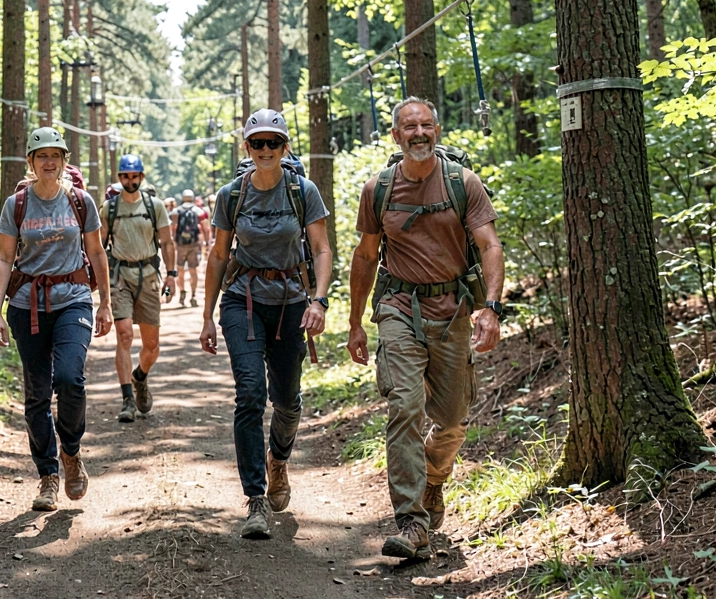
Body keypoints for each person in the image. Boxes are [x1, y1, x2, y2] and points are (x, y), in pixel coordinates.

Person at [344, 96, 504, 559]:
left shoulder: (463, 183)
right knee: (406, 408)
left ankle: (434, 479)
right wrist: (355, 323)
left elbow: (489, 245)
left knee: (452, 422)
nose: (419, 133)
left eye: (426, 125)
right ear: (395, 136)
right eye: (409, 127)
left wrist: (490, 308)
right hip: (399, 310)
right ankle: (412, 523)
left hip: (453, 313)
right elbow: (365, 256)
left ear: (436, 131)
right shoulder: (379, 189)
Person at [199, 109, 332, 540]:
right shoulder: (232, 194)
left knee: (288, 402)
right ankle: (255, 500)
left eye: (273, 142)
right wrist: (206, 315)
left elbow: (322, 249)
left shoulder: (302, 190)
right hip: (244, 301)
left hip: (292, 302)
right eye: (257, 143)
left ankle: (279, 460)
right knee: (251, 394)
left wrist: (320, 301)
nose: (266, 150)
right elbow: (219, 256)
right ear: (247, 147)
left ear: (285, 147)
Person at [0, 127, 113, 512]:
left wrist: (105, 303)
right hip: (27, 305)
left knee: (70, 379)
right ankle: (47, 475)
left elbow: (96, 252)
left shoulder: (80, 201)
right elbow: (3, 258)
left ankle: (71, 452)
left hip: (73, 299)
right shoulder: (17, 205)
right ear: (31, 162)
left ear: (64, 161)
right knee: (37, 394)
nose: (48, 162)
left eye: (55, 156)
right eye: (41, 156)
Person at [100, 154, 176, 422]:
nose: (129, 181)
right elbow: (99, 247)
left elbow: (167, 243)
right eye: (125, 176)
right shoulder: (109, 208)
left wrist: (171, 275)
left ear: (141, 177)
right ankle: (127, 401)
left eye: (134, 176)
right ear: (119, 178)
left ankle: (140, 377)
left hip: (149, 275)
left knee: (151, 345)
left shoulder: (154, 206)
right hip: (120, 276)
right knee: (123, 335)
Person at [171, 189, 212, 306]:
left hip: (180, 245)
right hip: (193, 245)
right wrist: (206, 243)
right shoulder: (199, 212)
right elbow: (206, 228)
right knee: (193, 270)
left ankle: (182, 293)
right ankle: (193, 296)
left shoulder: (176, 211)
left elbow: (173, 229)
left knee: (180, 269)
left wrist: (173, 243)